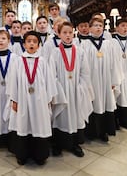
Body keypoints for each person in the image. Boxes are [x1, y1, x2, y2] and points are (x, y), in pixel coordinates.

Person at [7, 31, 58, 165]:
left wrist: (48, 100)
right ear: (24, 44)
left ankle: (39, 155)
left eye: (34, 42)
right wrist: (14, 100)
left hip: (40, 100)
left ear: (38, 45)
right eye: (29, 41)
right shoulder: (18, 61)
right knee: (23, 125)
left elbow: (49, 81)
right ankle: (22, 155)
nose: (31, 44)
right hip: (22, 99)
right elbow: (13, 82)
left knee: (39, 124)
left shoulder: (42, 61)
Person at [49, 21, 93, 158]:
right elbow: (52, 74)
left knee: (76, 116)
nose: (68, 36)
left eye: (70, 32)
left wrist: (80, 87)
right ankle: (58, 144)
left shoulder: (79, 52)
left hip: (75, 90)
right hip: (61, 90)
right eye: (64, 33)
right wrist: (58, 90)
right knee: (61, 117)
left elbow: (85, 72)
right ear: (59, 34)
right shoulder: (55, 52)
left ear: (73, 33)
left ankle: (75, 144)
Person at [84, 17, 120, 142]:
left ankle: (103, 131)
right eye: (95, 25)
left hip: (105, 80)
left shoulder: (108, 44)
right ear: (89, 28)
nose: (98, 27)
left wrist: (113, 81)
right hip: (91, 81)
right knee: (93, 103)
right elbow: (83, 66)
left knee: (105, 103)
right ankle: (92, 132)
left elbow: (114, 63)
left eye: (100, 25)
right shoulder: (84, 44)